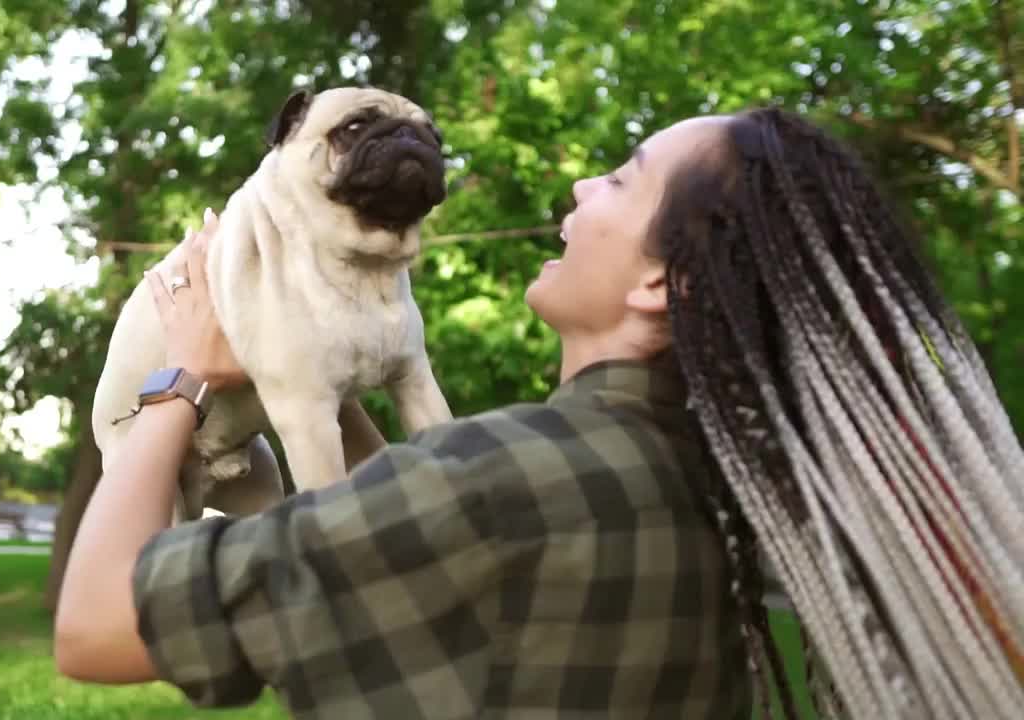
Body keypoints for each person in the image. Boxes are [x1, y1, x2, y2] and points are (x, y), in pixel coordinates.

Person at [53, 107, 1024, 719]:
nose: (577, 185)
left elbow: (95, 627)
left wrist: (177, 380)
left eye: (620, 177)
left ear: (656, 284)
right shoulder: (703, 490)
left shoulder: (495, 484)